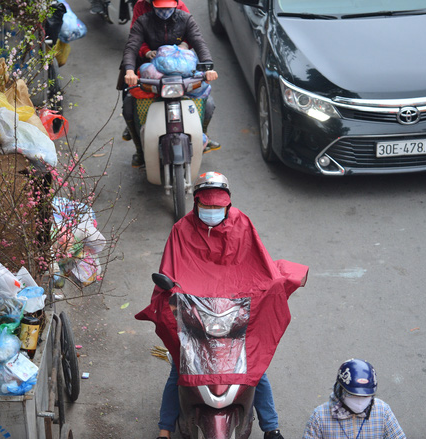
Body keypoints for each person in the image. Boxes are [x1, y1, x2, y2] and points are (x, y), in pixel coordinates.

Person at [136, 171, 309, 439]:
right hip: (195, 314)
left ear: (228, 204)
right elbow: (169, 272)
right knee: (179, 370)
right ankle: (164, 429)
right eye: (207, 205)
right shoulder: (180, 230)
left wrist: (273, 286)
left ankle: (271, 427)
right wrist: (169, 293)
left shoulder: (243, 225)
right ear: (196, 203)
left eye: (218, 206)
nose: (212, 210)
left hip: (235, 312)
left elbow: (259, 266)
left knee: (254, 370)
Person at [119, 0, 220, 168]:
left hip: (181, 67)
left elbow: (198, 41)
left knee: (208, 103)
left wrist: (208, 66)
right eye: (161, 7)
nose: (165, 11)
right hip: (150, 66)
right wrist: (131, 69)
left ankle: (202, 135)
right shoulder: (143, 19)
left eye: (168, 7)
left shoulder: (185, 17)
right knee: (129, 105)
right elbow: (132, 45)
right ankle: (140, 149)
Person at [302, 359, 406, 439]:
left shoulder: (383, 411)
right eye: (353, 395)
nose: (360, 401)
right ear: (340, 390)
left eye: (365, 396)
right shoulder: (320, 417)